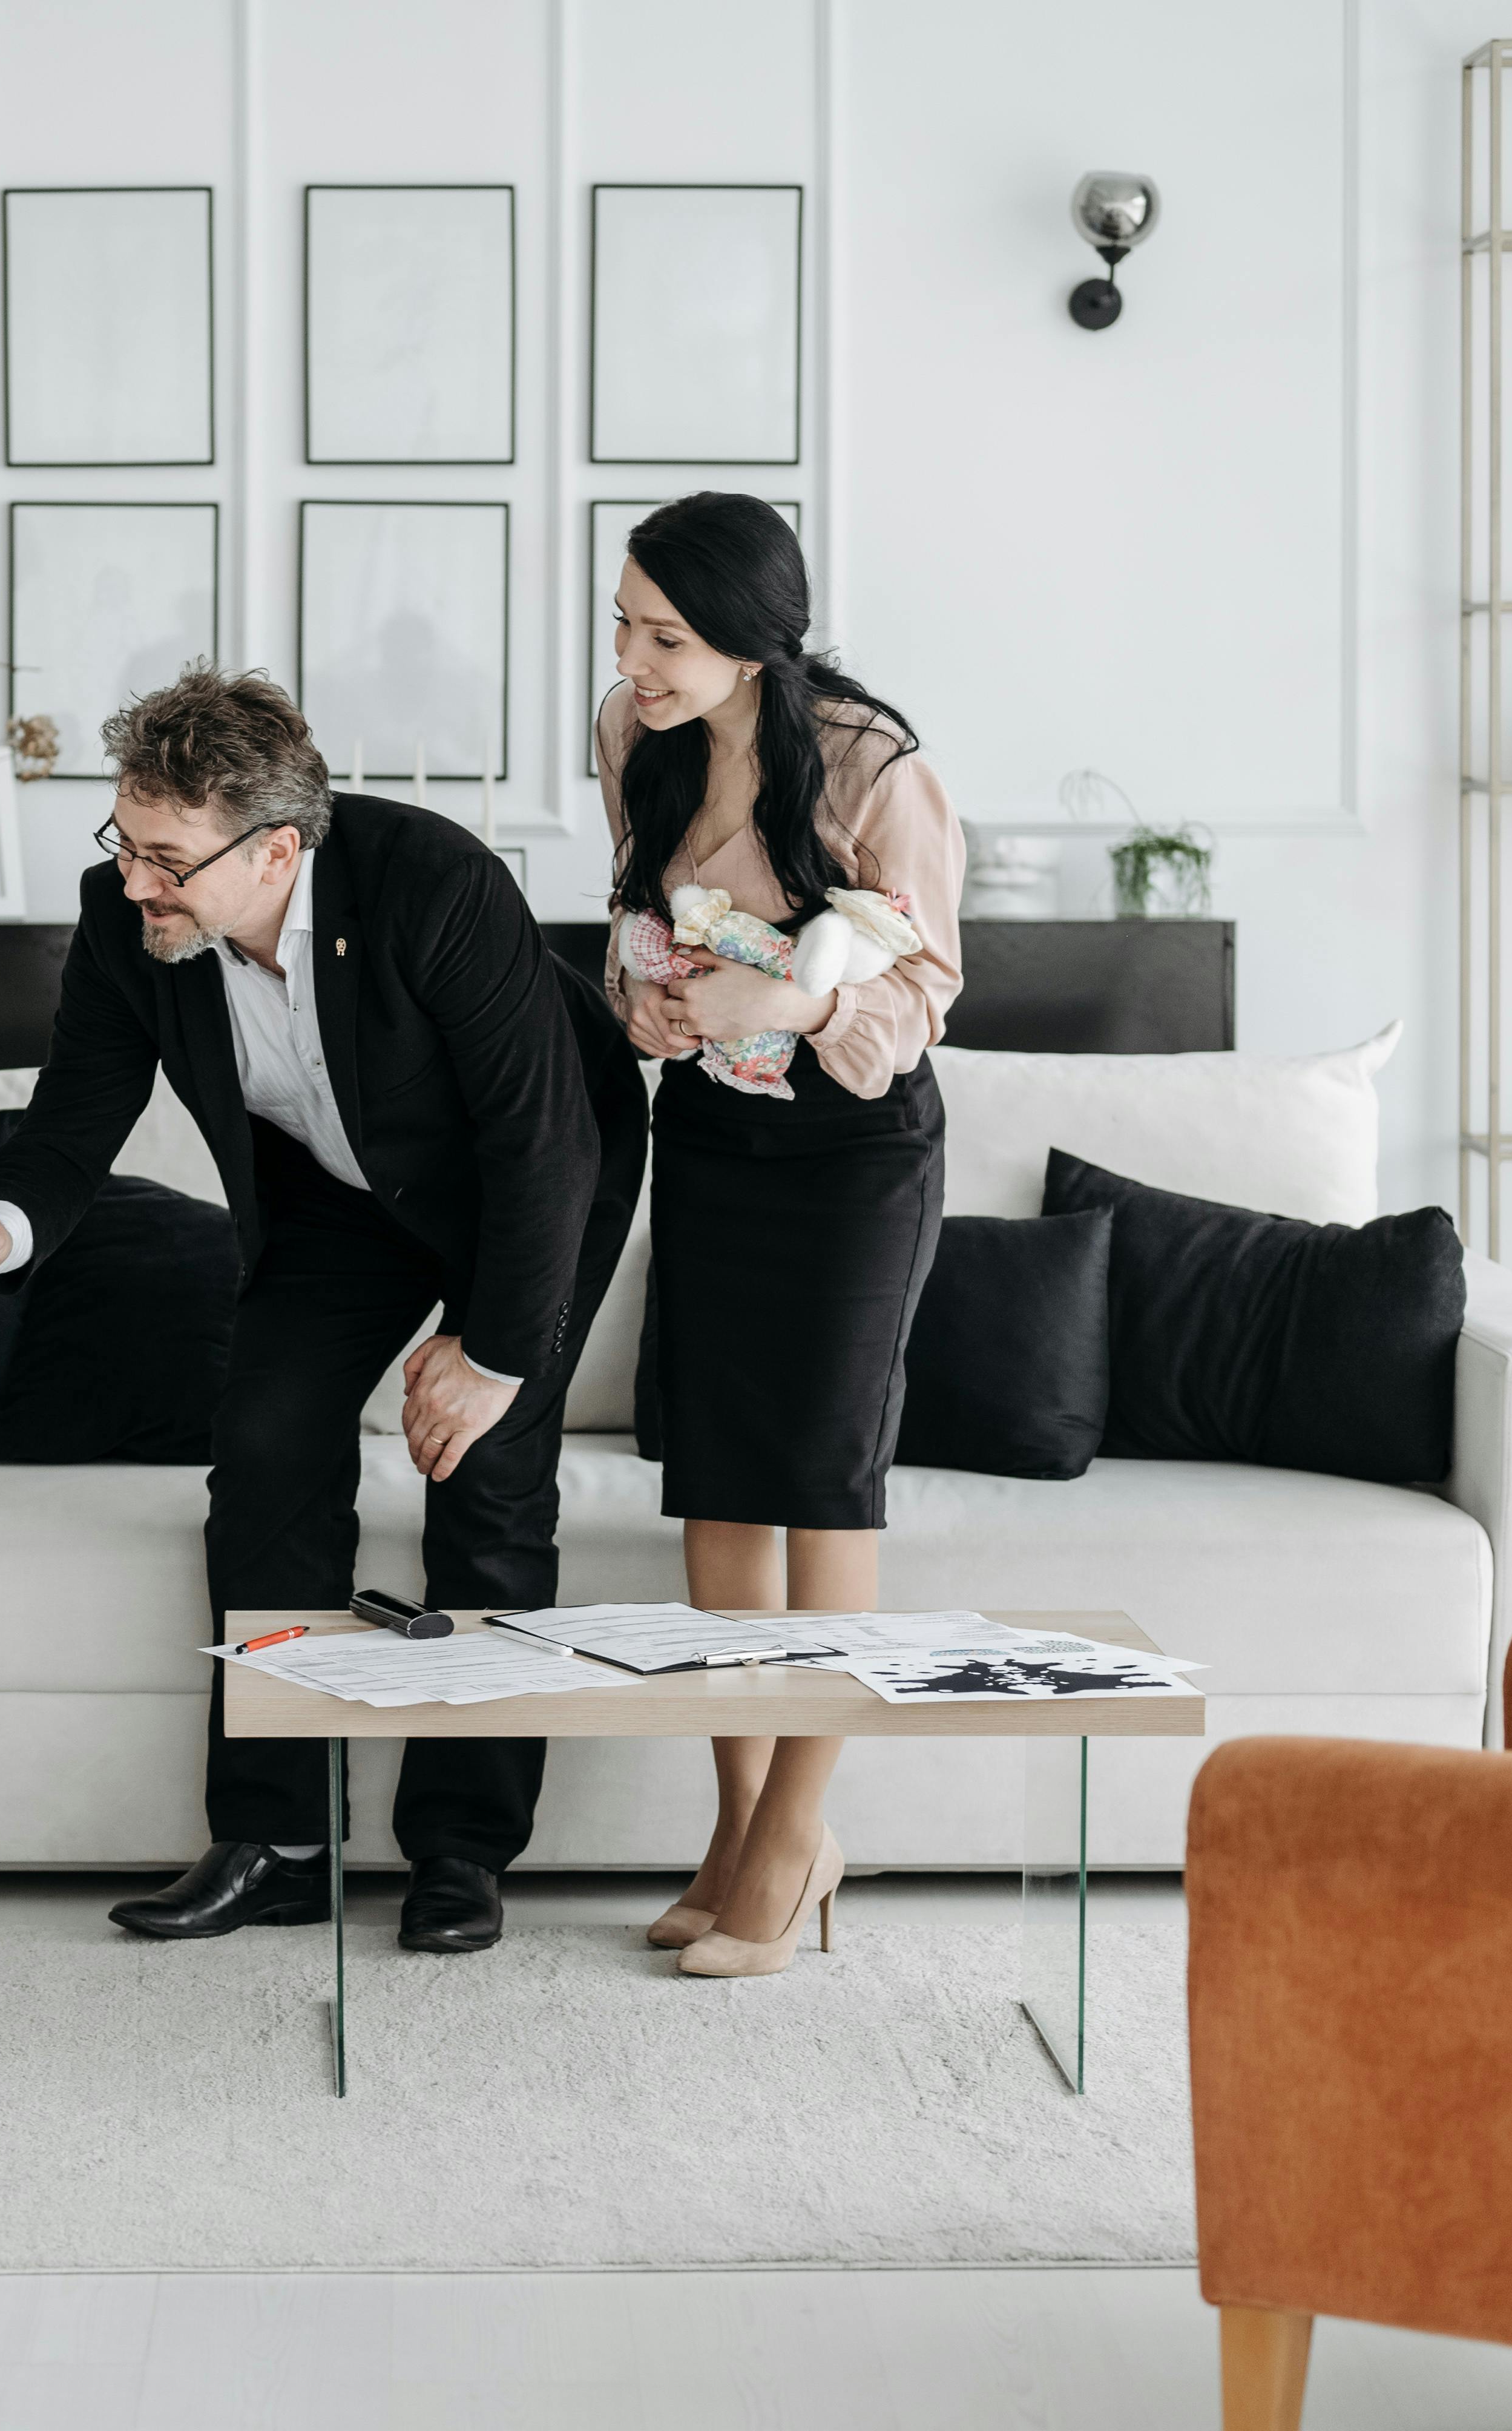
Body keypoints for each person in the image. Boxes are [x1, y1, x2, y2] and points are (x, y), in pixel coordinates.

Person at [0, 665, 643, 1956]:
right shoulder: (124, 921)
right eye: (122, 842)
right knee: (261, 1451)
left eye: (167, 858)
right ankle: (279, 1838)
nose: (136, 880)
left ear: (274, 850)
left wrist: (487, 1354)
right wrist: (1, 1227)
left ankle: (460, 1852)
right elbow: (74, 1117)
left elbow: (541, 1143)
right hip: (329, 1198)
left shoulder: (433, 882)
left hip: (527, 1183)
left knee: (485, 1481)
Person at [600, 493, 962, 1979]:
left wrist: (794, 1003)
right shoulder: (634, 733)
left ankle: (803, 1831)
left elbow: (928, 982)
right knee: (721, 1483)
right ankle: (740, 1826)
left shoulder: (876, 766)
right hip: (710, 1134)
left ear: (755, 640)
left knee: (820, 1482)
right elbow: (634, 918)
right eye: (623, 621)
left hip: (852, 1153)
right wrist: (646, 1002)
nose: (634, 658)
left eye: (666, 635)